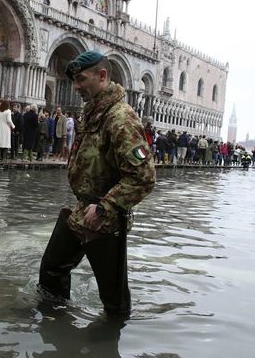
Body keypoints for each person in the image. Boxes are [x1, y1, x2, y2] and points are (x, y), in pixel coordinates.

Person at [38, 51, 156, 316]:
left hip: (104, 219)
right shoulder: (93, 113)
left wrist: (105, 207)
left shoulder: (120, 118)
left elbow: (144, 176)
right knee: (52, 269)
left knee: (114, 301)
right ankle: (53, 324)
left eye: (81, 79)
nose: (76, 87)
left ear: (102, 76)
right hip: (82, 211)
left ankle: (108, 341)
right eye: (74, 81)